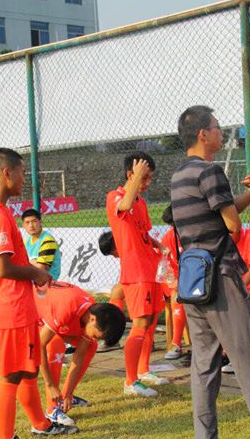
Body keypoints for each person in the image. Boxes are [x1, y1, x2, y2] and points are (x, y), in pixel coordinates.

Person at [170, 105, 250, 439]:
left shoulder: (178, 176)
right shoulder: (210, 171)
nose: (221, 133)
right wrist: (240, 200)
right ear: (203, 134)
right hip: (221, 279)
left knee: (204, 367)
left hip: (193, 281)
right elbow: (232, 225)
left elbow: (218, 213)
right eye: (217, 127)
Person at [0, 148, 78, 438]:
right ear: (6, 172)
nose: (25, 179)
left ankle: (41, 425)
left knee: (29, 370)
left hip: (18, 307)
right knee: (10, 376)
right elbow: (2, 268)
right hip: (10, 309)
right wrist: (37, 273)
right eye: (22, 172)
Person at [105, 151, 170, 397]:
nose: (148, 182)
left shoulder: (140, 202)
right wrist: (136, 179)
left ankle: (143, 370)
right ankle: (130, 381)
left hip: (150, 268)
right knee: (140, 322)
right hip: (136, 271)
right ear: (130, 174)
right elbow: (124, 206)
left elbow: (143, 232)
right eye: (145, 177)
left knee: (151, 320)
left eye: (150, 177)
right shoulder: (115, 197)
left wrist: (157, 244)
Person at [36, 281, 126, 426]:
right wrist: (50, 385)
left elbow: (80, 354)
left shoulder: (91, 311)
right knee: (55, 343)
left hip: (54, 314)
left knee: (91, 345)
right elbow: (40, 345)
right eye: (96, 335)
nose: (95, 338)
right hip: (28, 313)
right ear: (92, 319)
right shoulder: (66, 307)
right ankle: (53, 409)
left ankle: (64, 397)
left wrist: (68, 393)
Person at [222, 226, 250, 374]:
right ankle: (226, 351)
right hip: (232, 288)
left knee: (238, 304)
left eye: (231, 233)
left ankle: (239, 356)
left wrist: (238, 287)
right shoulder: (220, 240)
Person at [158, 205, 187, 361]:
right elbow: (164, 267)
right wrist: (173, 282)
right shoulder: (168, 238)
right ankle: (176, 343)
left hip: (199, 279)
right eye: (171, 225)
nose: (174, 228)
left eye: (175, 224)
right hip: (179, 282)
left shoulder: (197, 232)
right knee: (176, 296)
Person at [96, 231, 125, 352]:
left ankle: (112, 338)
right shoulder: (125, 253)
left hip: (148, 282)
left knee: (116, 293)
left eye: (113, 253)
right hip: (135, 283)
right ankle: (113, 338)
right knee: (115, 294)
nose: (115, 257)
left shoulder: (130, 248)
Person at [22, 208, 62, 281]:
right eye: (27, 222)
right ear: (24, 225)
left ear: (40, 222)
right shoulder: (26, 240)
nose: (31, 225)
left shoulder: (48, 240)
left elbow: (40, 268)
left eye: (34, 221)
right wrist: (33, 262)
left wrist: (27, 262)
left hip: (47, 283)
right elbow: (19, 262)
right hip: (32, 280)